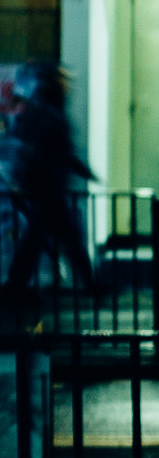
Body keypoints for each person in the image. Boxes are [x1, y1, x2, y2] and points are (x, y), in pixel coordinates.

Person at [1, 60, 97, 299]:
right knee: (65, 237)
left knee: (40, 239)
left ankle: (16, 285)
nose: (67, 84)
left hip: (45, 184)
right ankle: (89, 283)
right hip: (48, 185)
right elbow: (49, 149)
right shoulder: (47, 110)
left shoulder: (44, 107)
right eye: (63, 80)